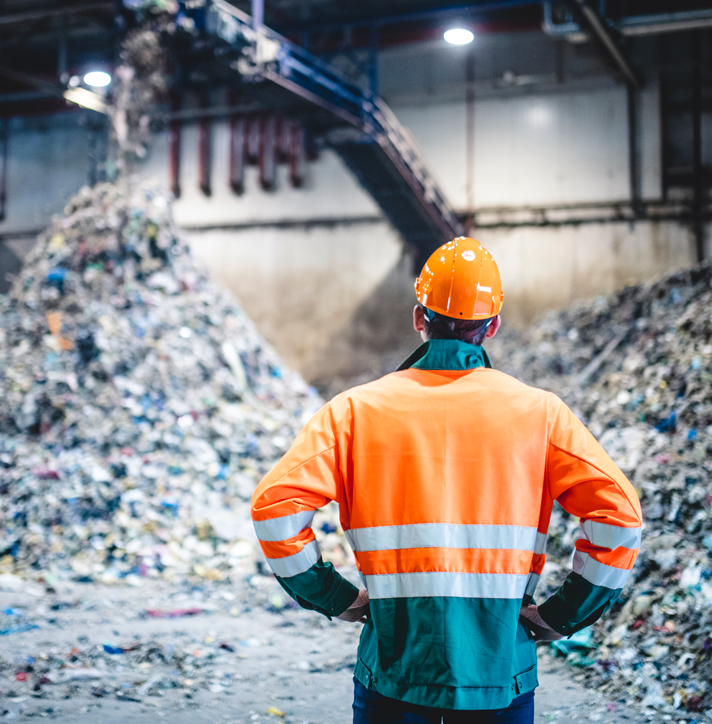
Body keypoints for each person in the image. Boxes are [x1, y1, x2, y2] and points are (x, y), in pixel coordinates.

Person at [251, 236, 642, 724]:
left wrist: (337, 598)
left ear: (420, 318)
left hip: (393, 671)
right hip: (500, 674)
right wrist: (562, 615)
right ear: (493, 325)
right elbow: (620, 520)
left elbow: (274, 509)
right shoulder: (541, 415)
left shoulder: (353, 412)